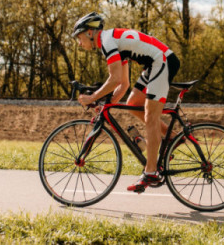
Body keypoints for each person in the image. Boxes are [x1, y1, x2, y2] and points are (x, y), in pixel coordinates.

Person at [72, 12, 180, 193]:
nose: (79, 43)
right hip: (156, 62)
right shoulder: (111, 40)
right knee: (133, 102)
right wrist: (107, 104)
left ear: (90, 32)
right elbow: (123, 84)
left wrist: (92, 98)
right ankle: (171, 137)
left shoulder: (107, 42)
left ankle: (151, 172)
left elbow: (113, 79)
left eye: (79, 37)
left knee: (150, 115)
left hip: (162, 61)